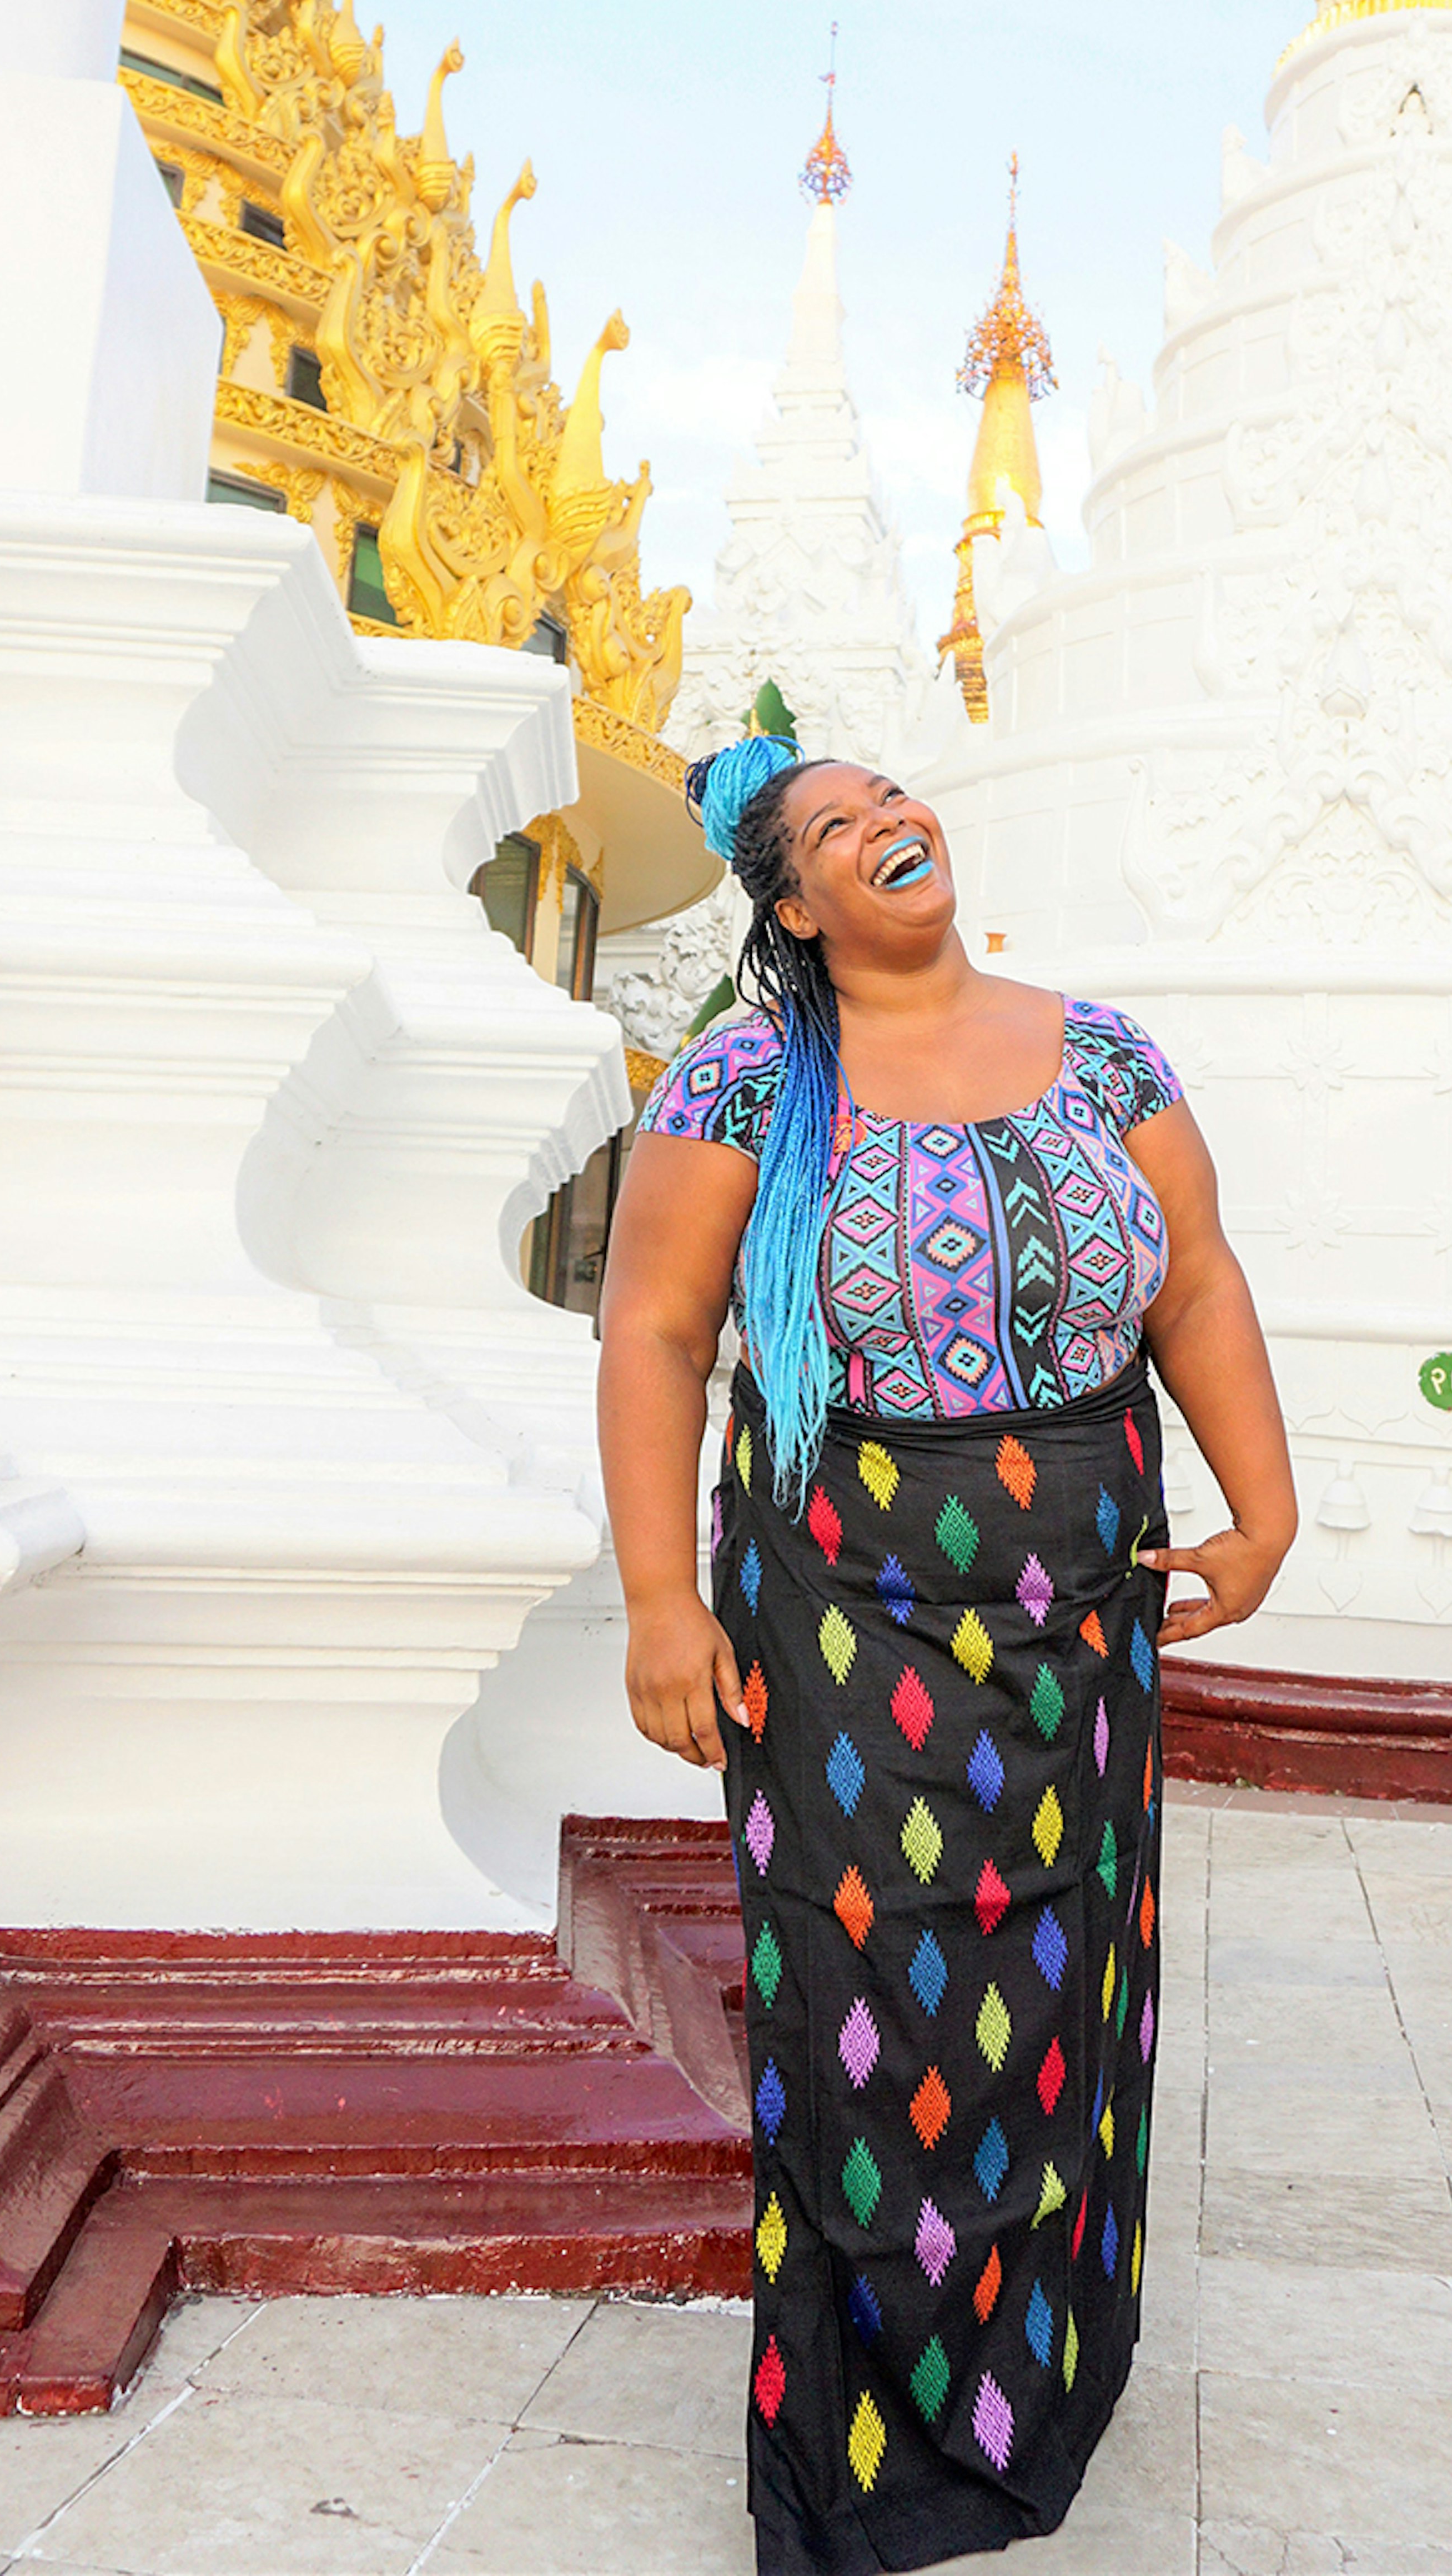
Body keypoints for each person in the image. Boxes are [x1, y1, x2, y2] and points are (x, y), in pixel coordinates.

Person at [597, 737, 1297, 2575]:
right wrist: (664, 1604)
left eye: (888, 796)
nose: (883, 824)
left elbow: (1199, 1278)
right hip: (842, 1595)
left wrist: (1265, 1508)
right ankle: (867, 2455)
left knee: (1062, 1978)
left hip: (1084, 1587)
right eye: (831, 828)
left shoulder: (1107, 1055)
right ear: (794, 907)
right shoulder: (744, 1086)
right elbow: (660, 1336)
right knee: (866, 1994)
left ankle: (1036, 2386)